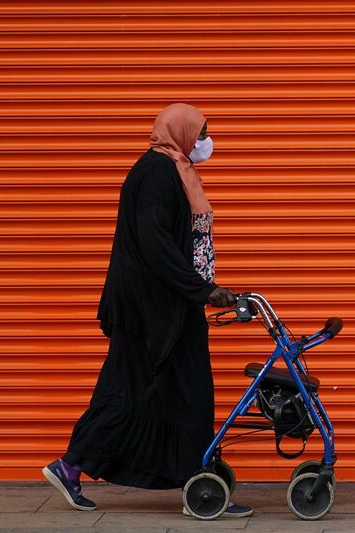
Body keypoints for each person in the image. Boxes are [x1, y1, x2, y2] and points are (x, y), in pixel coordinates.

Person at [41, 103, 252, 518]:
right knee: (164, 391)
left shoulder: (173, 171)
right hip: (151, 310)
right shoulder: (156, 174)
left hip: (165, 304)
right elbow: (156, 247)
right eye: (203, 132)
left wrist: (198, 291)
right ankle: (199, 485)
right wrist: (203, 290)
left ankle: (74, 466)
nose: (208, 141)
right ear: (183, 132)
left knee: (152, 393)